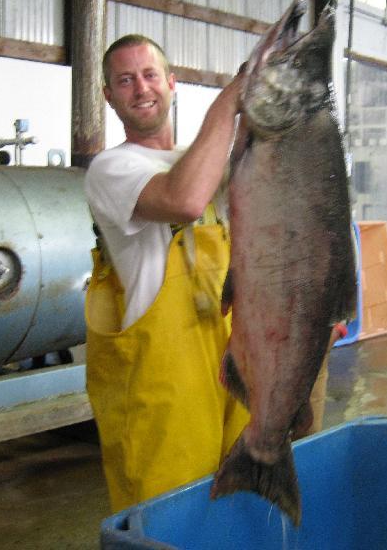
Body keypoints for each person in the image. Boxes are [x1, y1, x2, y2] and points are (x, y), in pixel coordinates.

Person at [82, 34, 250, 512]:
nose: (141, 88)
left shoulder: (206, 158)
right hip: (165, 383)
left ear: (172, 83)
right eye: (125, 80)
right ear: (108, 96)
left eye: (150, 74)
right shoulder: (112, 168)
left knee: (241, 508)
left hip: (235, 360)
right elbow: (185, 199)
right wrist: (230, 102)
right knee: (169, 518)